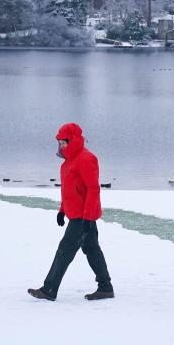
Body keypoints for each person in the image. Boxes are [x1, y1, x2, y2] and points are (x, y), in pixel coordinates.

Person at [28, 122, 114, 302]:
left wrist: (88, 218)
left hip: (83, 217)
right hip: (76, 215)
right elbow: (69, 191)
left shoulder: (86, 159)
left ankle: (49, 289)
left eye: (64, 142)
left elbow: (93, 189)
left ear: (73, 140)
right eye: (59, 143)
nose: (61, 146)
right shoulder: (69, 162)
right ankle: (105, 288)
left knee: (64, 251)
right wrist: (62, 211)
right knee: (92, 250)